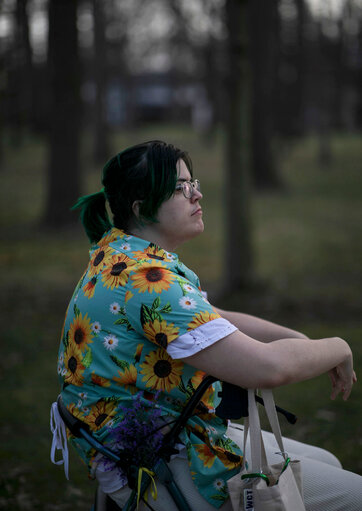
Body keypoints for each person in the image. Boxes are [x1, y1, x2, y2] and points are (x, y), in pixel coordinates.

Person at [54, 140, 361, 510]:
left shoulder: (121, 257)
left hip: (164, 435)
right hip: (172, 463)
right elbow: (267, 368)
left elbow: (213, 317)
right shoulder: (151, 284)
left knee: (329, 464)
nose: (197, 194)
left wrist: (299, 340)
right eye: (181, 188)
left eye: (193, 182)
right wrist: (339, 346)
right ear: (142, 208)